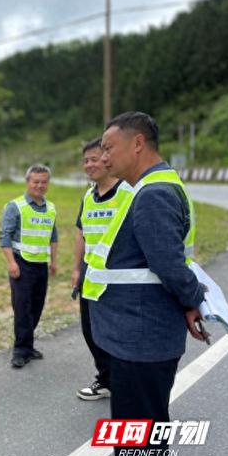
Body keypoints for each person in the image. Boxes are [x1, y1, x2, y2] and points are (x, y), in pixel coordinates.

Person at [83, 112, 207, 456]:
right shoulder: (149, 187)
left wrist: (192, 299)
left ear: (137, 143)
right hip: (138, 335)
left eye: (109, 148)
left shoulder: (153, 194)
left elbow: (169, 265)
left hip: (140, 338)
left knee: (139, 438)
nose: (103, 157)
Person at [72, 138, 131, 400]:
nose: (89, 165)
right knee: (91, 331)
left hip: (121, 280)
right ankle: (106, 379)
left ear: (107, 159)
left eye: (94, 159)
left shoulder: (127, 194)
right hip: (91, 276)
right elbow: (81, 233)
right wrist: (76, 269)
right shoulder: (88, 196)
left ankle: (124, 382)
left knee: (120, 334)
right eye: (85, 161)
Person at [0, 164, 58, 369]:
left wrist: (54, 262)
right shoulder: (15, 207)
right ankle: (20, 350)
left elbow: (53, 236)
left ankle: (28, 345)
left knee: (36, 307)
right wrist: (11, 263)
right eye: (36, 182)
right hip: (21, 264)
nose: (40, 185)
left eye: (44, 182)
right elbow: (4, 236)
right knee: (22, 308)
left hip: (41, 264)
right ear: (28, 182)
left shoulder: (50, 208)